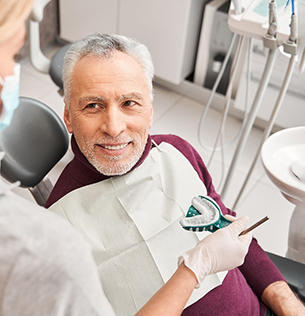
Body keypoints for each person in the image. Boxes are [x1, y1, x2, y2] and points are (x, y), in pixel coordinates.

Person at [0, 1, 252, 315]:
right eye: (13, 54)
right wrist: (193, 270)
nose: (12, 73)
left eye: (130, 102)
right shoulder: (39, 249)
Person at [45, 33, 305, 316]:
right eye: (93, 105)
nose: (114, 127)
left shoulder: (176, 151)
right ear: (69, 117)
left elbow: (230, 227)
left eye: (129, 103)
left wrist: (287, 303)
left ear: (151, 111)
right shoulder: (56, 227)